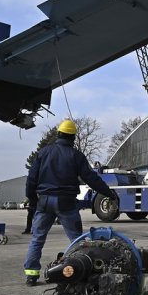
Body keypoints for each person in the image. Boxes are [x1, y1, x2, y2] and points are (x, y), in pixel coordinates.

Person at [22, 119, 113, 286]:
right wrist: (109, 193)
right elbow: (91, 178)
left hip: (45, 201)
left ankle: (31, 275)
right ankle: (79, 271)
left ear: (58, 134)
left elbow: (31, 179)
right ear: (73, 138)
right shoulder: (76, 156)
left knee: (37, 238)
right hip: (66, 202)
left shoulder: (44, 152)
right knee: (77, 240)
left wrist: (33, 199)